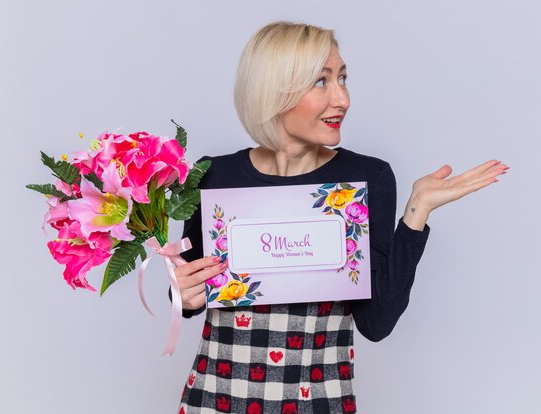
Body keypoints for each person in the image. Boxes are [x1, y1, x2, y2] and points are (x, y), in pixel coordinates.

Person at [173, 21, 509, 414]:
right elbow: (187, 298)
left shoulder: (366, 179)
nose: (343, 99)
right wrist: (180, 289)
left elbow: (376, 323)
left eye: (343, 79)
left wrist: (417, 213)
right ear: (274, 90)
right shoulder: (213, 175)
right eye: (322, 81)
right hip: (217, 399)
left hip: (319, 402)